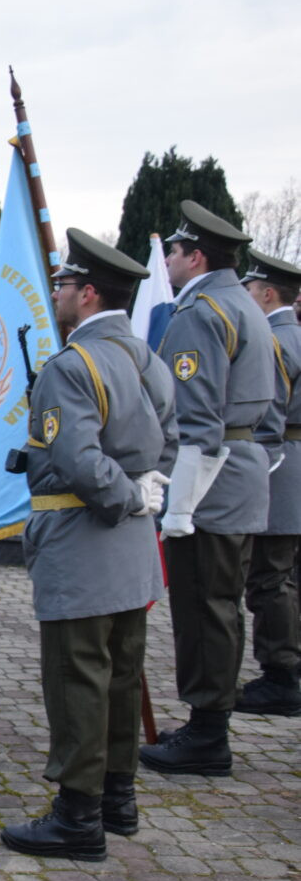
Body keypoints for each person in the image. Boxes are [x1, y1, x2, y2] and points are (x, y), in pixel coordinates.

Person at [0, 229, 176, 862]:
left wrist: (125, 495)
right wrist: (145, 493)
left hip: (82, 541)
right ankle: (117, 799)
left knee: (77, 677)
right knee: (122, 676)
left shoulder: (73, 366)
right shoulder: (147, 358)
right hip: (132, 548)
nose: (57, 294)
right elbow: (170, 442)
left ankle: (78, 817)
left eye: (64, 285)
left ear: (90, 293)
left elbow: (77, 461)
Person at [140, 201, 274, 777]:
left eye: (173, 251)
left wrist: (179, 507)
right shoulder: (243, 304)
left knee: (204, 608)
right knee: (221, 606)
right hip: (238, 476)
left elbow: (196, 422)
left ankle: (207, 736)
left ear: (195, 257)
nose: (167, 260)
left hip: (208, 486)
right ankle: (208, 724)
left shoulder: (201, 311)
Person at [235, 251, 301, 716]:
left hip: (283, 467)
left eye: (251, 290)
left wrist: (260, 468)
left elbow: (267, 416)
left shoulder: (276, 341)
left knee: (269, 577)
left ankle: (280, 676)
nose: (246, 297)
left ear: (268, 294)